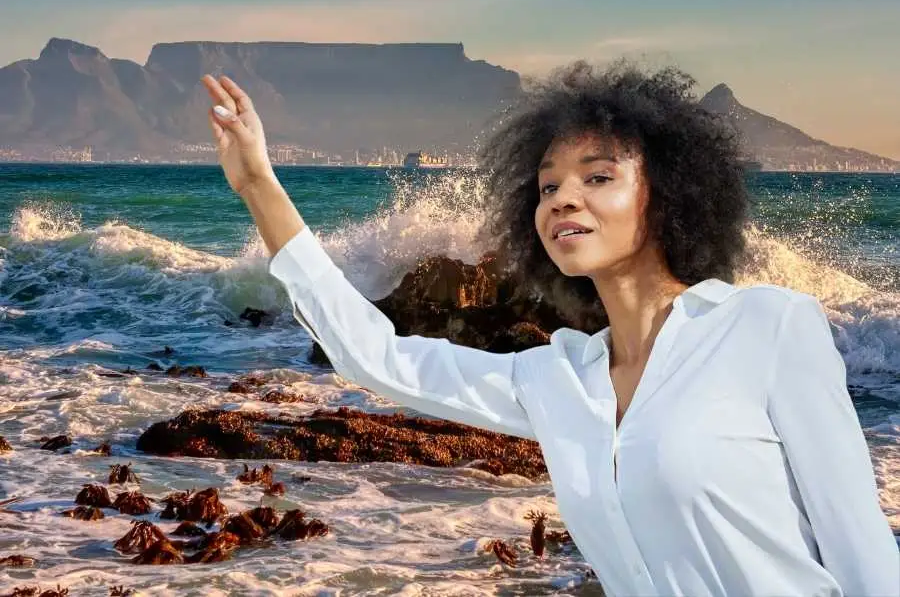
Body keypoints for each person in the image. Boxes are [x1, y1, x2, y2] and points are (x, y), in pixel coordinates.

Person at [201, 63, 898, 597]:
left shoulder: (768, 327)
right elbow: (374, 355)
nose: (564, 196)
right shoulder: (557, 378)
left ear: (671, 193)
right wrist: (258, 184)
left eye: (598, 178)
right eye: (547, 186)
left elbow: (864, 556)